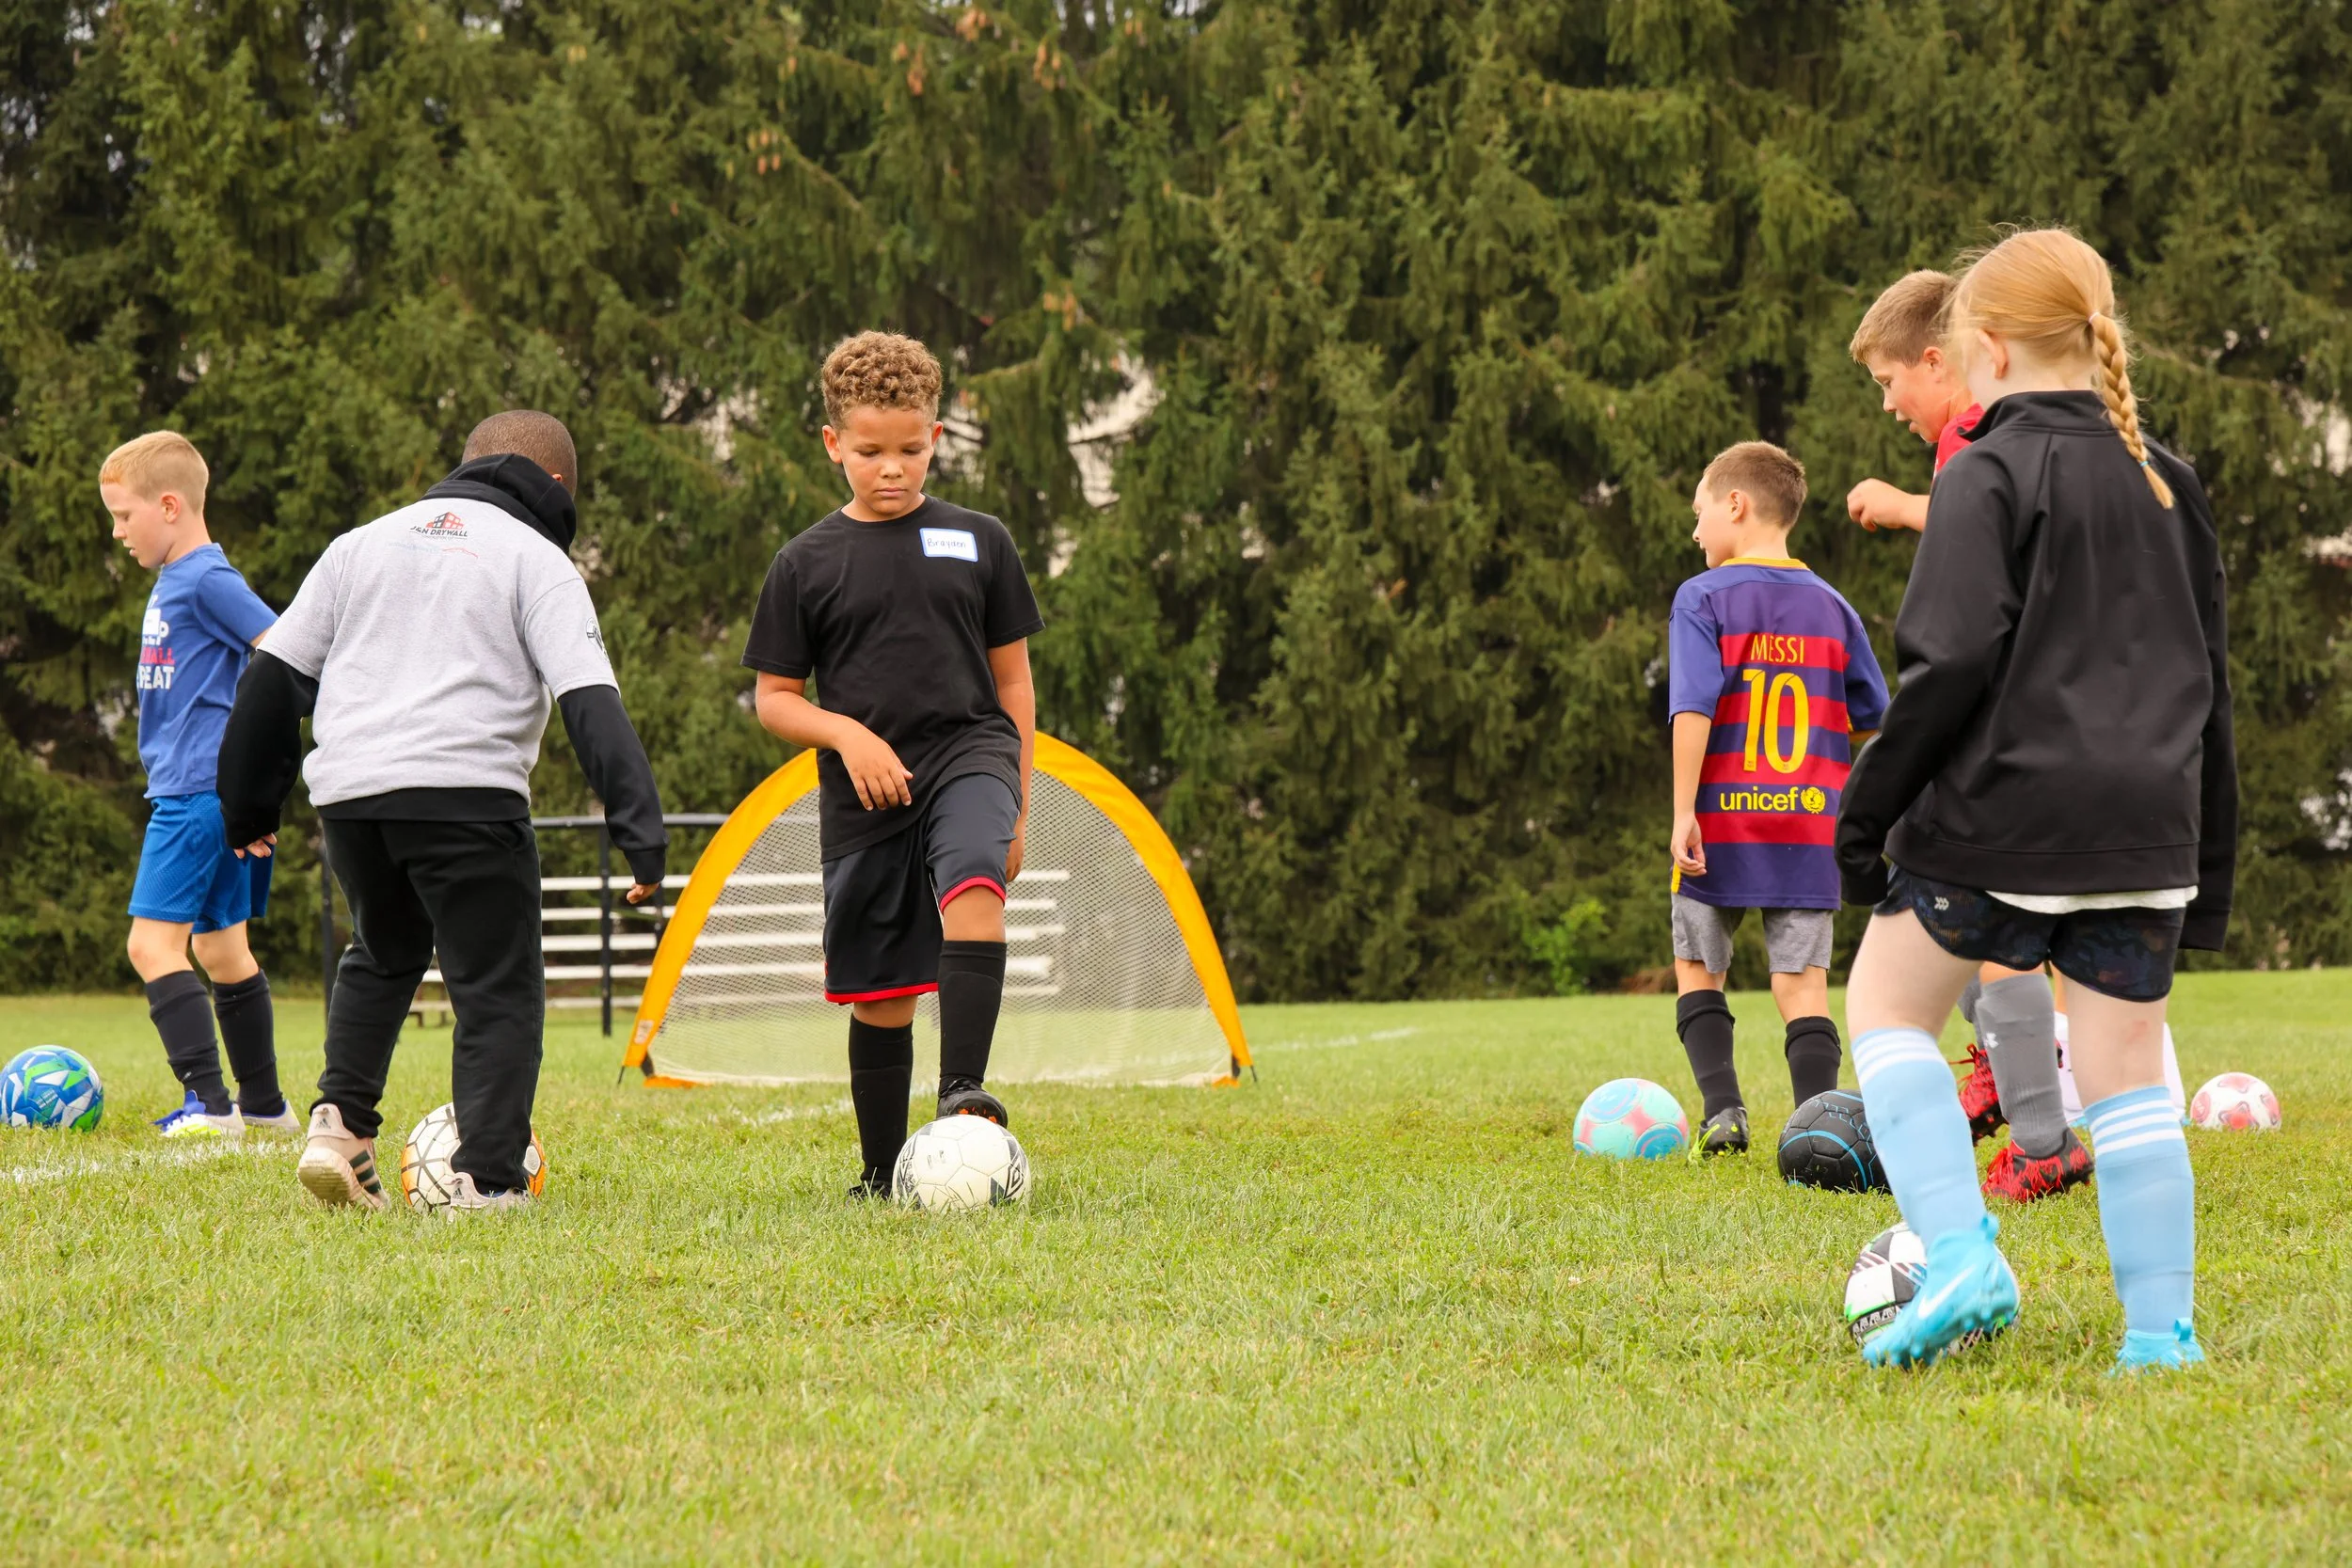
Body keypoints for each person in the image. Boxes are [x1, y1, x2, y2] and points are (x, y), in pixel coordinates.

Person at [1836, 228, 2235, 1371]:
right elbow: (2211, 683)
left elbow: (1948, 663)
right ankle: (2160, 1337)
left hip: (2001, 819)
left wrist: (1865, 819)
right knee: (2125, 1080)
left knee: (1885, 1006)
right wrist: (2206, 869)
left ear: (1991, 352)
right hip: (2147, 829)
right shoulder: (2174, 479)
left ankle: (1960, 1254)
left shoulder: (1984, 471)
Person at [216, 411, 667, 1213]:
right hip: (468, 794)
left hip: (352, 798)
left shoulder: (361, 544)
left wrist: (247, 804)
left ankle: (340, 1130)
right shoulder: (537, 559)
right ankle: (488, 1179)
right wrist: (639, 830)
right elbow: (590, 703)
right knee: (496, 987)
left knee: (382, 951)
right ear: (559, 487)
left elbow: (270, 678)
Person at [743, 332, 1041, 1197]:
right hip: (865, 789)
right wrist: (846, 734)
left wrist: (1018, 806)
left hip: (971, 753)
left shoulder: (981, 540)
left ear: (936, 438)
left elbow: (1013, 680)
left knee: (977, 887)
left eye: (910, 450)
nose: (892, 469)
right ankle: (881, 1174)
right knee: (880, 997)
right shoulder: (803, 563)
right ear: (834, 443)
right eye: (871, 451)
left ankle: (962, 1095)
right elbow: (775, 697)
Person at [1845, 270, 2100, 1203]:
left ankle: (2035, 1124)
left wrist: (1906, 505)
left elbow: (1982, 571)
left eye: (1886, 380)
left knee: (1955, 906)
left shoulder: (1975, 440)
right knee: (1977, 909)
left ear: (1936, 359)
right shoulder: (2027, 442)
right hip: (2063, 726)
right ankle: (2019, 1073)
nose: (1886, 403)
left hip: (2002, 730)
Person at [1666, 441, 1889, 1155]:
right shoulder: (1831, 604)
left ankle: (1724, 1112)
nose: (1695, 530)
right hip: (1808, 827)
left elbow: (1693, 707)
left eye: (1699, 511)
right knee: (1803, 986)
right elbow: (1876, 713)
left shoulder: (1702, 597)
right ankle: (1818, 1127)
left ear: (1736, 503)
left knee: (1700, 964)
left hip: (1721, 820)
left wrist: (1682, 810)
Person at [100, 432, 295, 1141]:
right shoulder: (174, 578)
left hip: (195, 795)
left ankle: (210, 1106)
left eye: (125, 515)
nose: (119, 531)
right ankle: (267, 1109)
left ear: (171, 506)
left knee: (152, 947)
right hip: (205, 795)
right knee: (220, 949)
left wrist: (263, 778)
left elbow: (282, 651)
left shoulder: (208, 578)